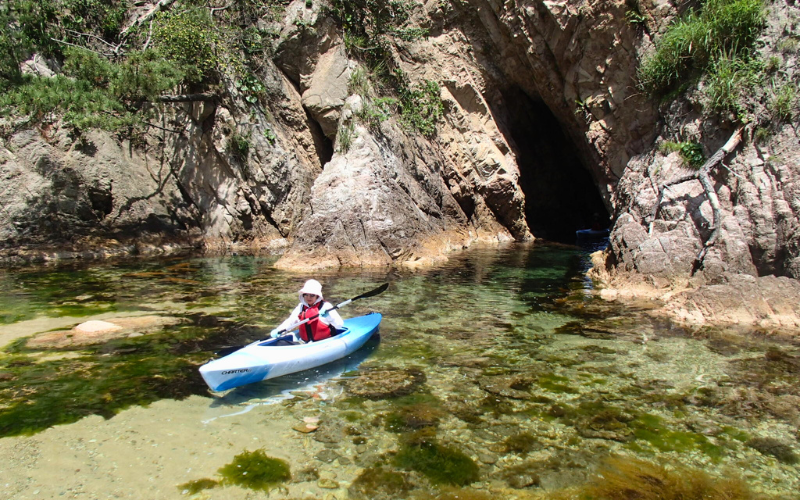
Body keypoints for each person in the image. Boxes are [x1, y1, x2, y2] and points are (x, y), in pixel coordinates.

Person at [270, 279, 344, 343]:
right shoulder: (301, 307)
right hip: (305, 342)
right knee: (281, 342)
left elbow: (339, 325)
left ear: (317, 296)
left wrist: (328, 315)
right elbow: (291, 321)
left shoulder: (326, 306)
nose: (308, 298)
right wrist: (279, 330)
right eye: (306, 295)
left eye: (312, 295)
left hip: (325, 342)